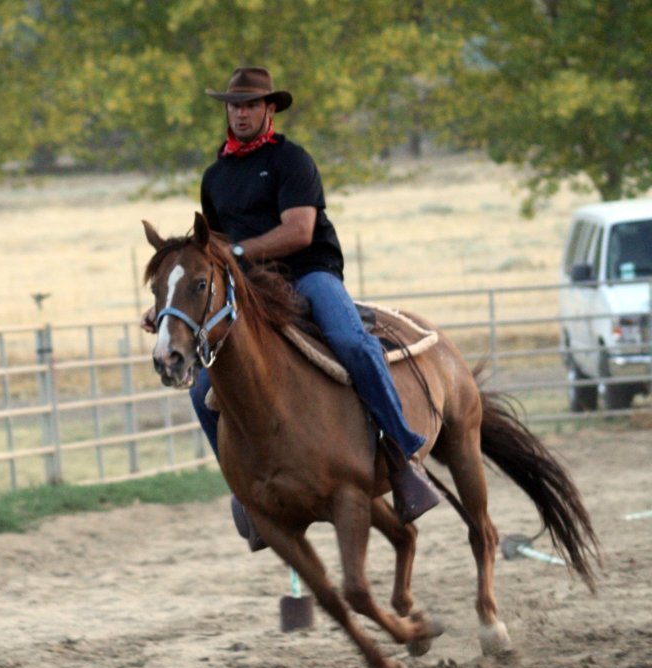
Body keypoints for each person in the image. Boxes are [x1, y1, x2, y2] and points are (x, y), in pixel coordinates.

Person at [143, 66, 439, 549]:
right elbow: (208, 252)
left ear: (269, 109)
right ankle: (248, 491)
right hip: (252, 288)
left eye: (250, 105)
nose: (240, 113)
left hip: (309, 272)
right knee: (201, 390)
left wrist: (237, 255)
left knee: (350, 343)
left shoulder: (291, 161)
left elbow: (299, 231)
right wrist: (173, 309)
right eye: (234, 106)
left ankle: (403, 457)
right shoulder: (215, 177)